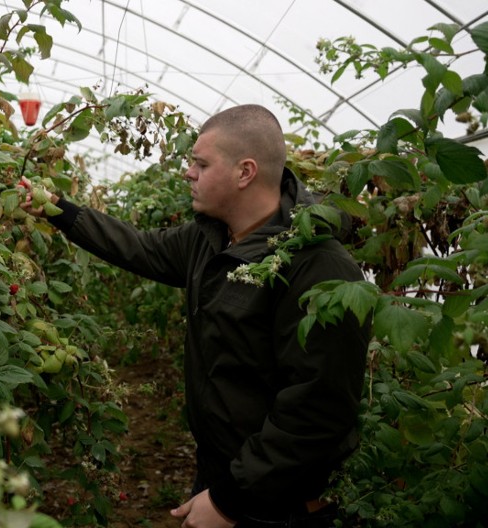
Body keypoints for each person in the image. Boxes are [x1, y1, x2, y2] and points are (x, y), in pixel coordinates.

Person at [20, 104, 370, 527]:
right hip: (223, 475)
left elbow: (317, 412)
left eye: (201, 164)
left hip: (278, 502)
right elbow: (139, 247)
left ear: (245, 172)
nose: (188, 173)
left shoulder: (318, 267)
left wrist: (228, 501)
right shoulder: (210, 239)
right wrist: (59, 209)